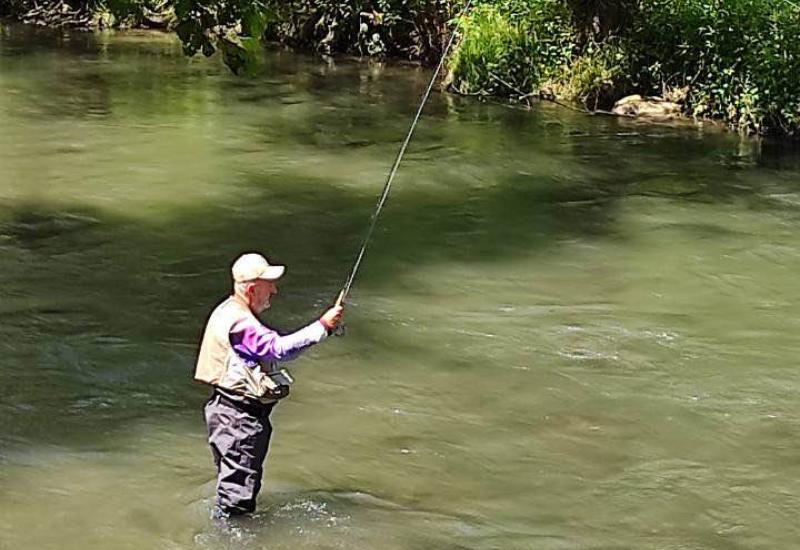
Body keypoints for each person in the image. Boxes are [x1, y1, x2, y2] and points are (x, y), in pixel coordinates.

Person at [194, 252, 343, 518]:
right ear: (252, 289)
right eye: (268, 284)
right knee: (237, 503)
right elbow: (278, 349)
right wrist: (323, 327)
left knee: (233, 487)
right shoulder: (242, 325)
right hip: (239, 420)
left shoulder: (227, 310)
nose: (274, 290)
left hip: (226, 413)